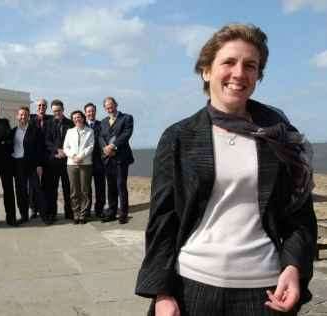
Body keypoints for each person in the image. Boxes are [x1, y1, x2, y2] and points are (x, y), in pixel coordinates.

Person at [135, 24, 317, 316]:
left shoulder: (281, 137)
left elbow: (299, 217)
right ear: (206, 71)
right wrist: (162, 292)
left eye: (250, 65)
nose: (239, 73)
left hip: (266, 291)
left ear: (258, 75)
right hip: (192, 286)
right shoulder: (179, 136)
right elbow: (163, 220)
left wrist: (294, 267)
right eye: (228, 62)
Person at [99, 96, 134, 224]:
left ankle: (123, 214)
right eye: (107, 107)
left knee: (121, 186)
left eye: (111, 106)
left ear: (116, 105)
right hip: (108, 158)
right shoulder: (103, 122)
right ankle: (112, 213)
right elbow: (100, 137)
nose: (109, 109)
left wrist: (113, 146)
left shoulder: (127, 118)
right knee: (111, 187)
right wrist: (105, 148)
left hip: (121, 157)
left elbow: (126, 134)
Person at [9, 106, 45, 224]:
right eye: (20, 114)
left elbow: (40, 149)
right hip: (17, 164)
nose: (23, 117)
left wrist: (39, 164)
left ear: (28, 116)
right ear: (17, 116)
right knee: (20, 191)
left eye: (25, 114)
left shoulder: (35, 130)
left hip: (32, 164)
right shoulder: (13, 131)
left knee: (37, 190)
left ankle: (44, 215)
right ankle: (24, 215)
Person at [44, 99, 74, 224]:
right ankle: (52, 213)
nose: (57, 113)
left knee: (68, 188)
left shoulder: (70, 123)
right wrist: (57, 150)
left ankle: (69, 212)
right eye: (54, 111)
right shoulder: (48, 123)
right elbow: (46, 141)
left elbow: (73, 141)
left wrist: (65, 152)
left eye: (59, 110)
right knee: (52, 189)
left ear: (63, 110)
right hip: (53, 161)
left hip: (67, 161)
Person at [63, 110, 94, 224]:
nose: (77, 119)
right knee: (74, 191)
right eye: (74, 118)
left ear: (83, 118)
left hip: (85, 163)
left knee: (85, 191)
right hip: (71, 164)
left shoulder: (90, 131)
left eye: (79, 117)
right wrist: (73, 156)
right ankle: (76, 214)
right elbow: (66, 147)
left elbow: (90, 146)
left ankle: (83, 215)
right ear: (73, 119)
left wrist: (81, 156)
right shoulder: (69, 131)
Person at [29, 98, 53, 219]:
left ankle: (46, 208)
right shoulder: (31, 120)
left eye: (43, 105)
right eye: (39, 105)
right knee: (33, 185)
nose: (41, 107)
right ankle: (33, 208)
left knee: (46, 184)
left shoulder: (51, 119)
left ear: (46, 107)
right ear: (36, 107)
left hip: (48, 157)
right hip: (34, 157)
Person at [84, 103, 105, 218]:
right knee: (86, 188)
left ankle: (99, 210)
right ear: (85, 113)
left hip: (99, 162)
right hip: (85, 161)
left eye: (92, 111)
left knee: (100, 187)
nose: (90, 113)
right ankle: (87, 210)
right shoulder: (81, 126)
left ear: (95, 112)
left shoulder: (102, 125)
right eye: (88, 111)